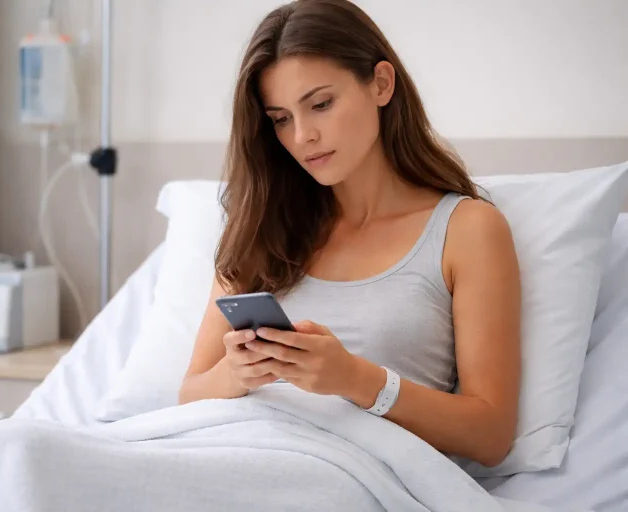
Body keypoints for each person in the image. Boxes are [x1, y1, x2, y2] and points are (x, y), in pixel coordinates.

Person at [178, 0, 521, 468]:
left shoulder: (467, 230)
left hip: (347, 477)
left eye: (320, 104)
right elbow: (188, 398)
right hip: (231, 456)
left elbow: (491, 435)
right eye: (280, 119)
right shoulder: (262, 226)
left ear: (381, 84)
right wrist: (237, 374)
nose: (302, 137)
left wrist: (355, 379)